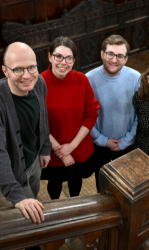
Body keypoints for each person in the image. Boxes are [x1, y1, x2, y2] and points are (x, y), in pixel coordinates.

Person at [40, 36, 100, 199]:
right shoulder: (38, 84)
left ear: (74, 60)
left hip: (79, 145)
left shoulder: (82, 79)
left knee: (76, 182)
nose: (63, 62)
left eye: (69, 58)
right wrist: (61, 152)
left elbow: (91, 114)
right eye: (58, 56)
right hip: (53, 149)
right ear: (50, 56)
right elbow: (37, 123)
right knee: (55, 185)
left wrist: (72, 146)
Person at [1, 42, 51, 224]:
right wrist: (17, 196)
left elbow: (43, 116)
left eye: (31, 67)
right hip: (14, 171)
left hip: (35, 160)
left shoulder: (39, 83)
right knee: (30, 215)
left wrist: (45, 148)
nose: (27, 76)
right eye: (18, 70)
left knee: (35, 192)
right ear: (5, 71)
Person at [86, 35, 140, 191]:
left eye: (120, 56)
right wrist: (102, 140)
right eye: (110, 54)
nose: (114, 60)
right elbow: (85, 115)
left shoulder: (136, 78)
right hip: (99, 144)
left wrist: (127, 140)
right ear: (102, 54)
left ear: (126, 59)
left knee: (126, 185)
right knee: (102, 185)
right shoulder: (88, 79)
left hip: (127, 143)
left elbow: (140, 114)